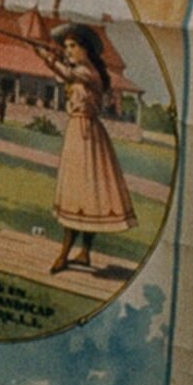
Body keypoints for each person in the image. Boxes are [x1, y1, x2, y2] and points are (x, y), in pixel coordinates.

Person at [31, 21, 136, 273]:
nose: (67, 50)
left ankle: (64, 255)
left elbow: (68, 74)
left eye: (72, 46)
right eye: (65, 46)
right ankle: (85, 253)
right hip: (77, 132)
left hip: (87, 135)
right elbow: (62, 74)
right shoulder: (79, 69)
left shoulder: (89, 72)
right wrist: (45, 55)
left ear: (85, 50)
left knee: (82, 195)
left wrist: (47, 57)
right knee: (84, 196)